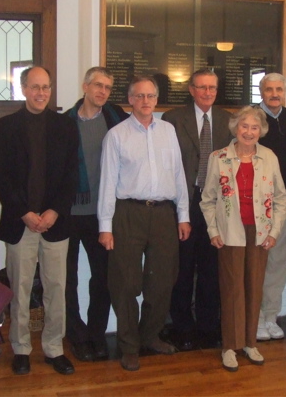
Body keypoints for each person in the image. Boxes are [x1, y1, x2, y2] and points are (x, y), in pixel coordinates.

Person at [98, 75, 191, 372]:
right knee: (125, 282)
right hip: (128, 213)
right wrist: (105, 226)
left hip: (164, 214)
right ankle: (129, 346)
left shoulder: (168, 131)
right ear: (130, 100)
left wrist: (183, 215)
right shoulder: (116, 135)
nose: (146, 101)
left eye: (151, 96)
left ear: (156, 99)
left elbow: (178, 175)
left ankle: (150, 336)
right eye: (139, 96)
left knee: (163, 281)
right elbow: (107, 182)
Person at [0, 66, 79, 376]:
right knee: (19, 288)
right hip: (21, 223)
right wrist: (25, 213)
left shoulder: (66, 127)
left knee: (56, 288)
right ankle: (21, 348)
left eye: (46, 87)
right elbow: (1, 178)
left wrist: (54, 211)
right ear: (23, 88)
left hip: (55, 222)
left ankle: (54, 348)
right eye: (35, 87)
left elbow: (72, 175)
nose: (41, 93)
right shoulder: (3, 128)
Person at [200, 106, 286, 372]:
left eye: (254, 127)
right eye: (244, 127)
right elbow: (208, 199)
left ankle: (250, 342)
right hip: (230, 233)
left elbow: (281, 199)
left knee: (254, 288)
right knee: (232, 290)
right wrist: (213, 231)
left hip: (260, 233)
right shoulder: (220, 157)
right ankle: (230, 346)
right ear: (235, 128)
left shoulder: (269, 157)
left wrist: (274, 233)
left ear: (261, 131)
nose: (249, 132)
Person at [162, 69, 232, 351]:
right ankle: (182, 327)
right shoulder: (172, 119)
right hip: (185, 200)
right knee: (182, 267)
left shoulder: (229, 120)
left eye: (212, 88)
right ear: (191, 89)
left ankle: (208, 326)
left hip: (216, 203)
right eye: (201, 87)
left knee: (211, 269)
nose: (207, 93)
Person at [64, 67, 129, 362]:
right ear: (85, 86)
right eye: (98, 85)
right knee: (66, 279)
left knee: (102, 278)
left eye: (107, 87)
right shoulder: (63, 123)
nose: (102, 92)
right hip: (67, 212)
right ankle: (75, 336)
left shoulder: (115, 119)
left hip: (102, 215)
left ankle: (96, 334)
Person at [255, 73, 286, 341]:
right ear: (261, 91)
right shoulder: (252, 117)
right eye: (269, 89)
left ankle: (271, 315)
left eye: (279, 90)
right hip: (257, 196)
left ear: (285, 92)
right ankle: (256, 317)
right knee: (257, 257)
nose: (274, 94)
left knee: (279, 258)